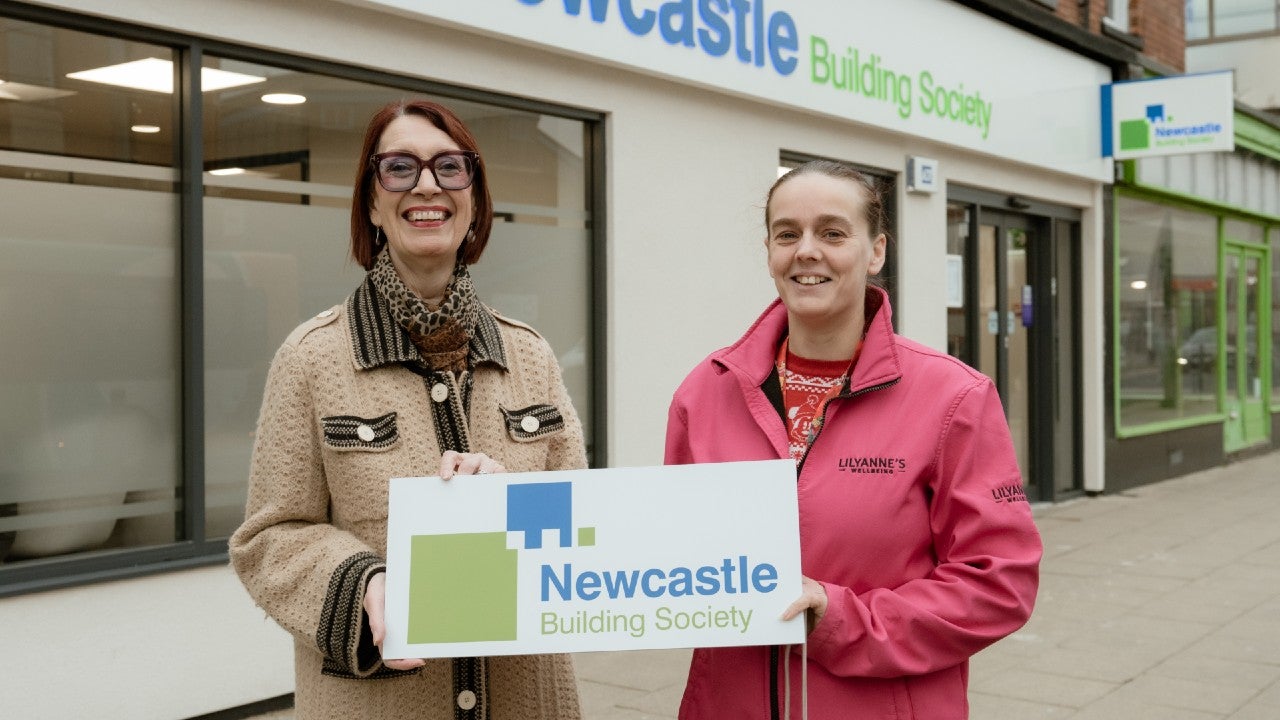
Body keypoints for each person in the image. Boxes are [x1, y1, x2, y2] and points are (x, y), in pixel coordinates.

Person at [230, 100, 586, 720]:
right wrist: (365, 582)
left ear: (473, 200)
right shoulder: (313, 358)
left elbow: (583, 523)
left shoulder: (529, 355)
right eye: (399, 168)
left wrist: (514, 504)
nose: (426, 184)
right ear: (371, 203)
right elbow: (268, 539)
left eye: (450, 167)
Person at [664, 160, 1042, 719]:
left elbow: (999, 581)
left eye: (833, 232)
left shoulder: (952, 397)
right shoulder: (707, 390)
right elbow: (674, 543)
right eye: (787, 234)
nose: (806, 251)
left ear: (877, 251)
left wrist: (841, 622)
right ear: (769, 251)